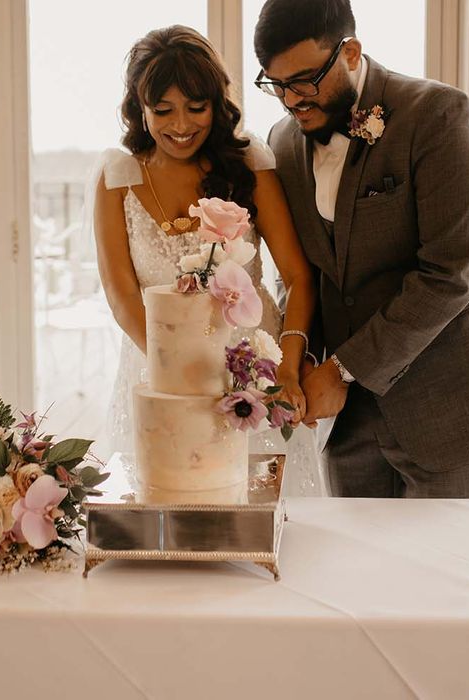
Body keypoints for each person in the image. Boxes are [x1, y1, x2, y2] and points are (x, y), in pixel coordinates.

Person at [253, 0, 469, 498]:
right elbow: (303, 272)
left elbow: (450, 275)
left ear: (350, 53)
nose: (291, 100)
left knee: (447, 573)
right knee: (358, 574)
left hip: (452, 409)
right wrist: (295, 360)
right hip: (347, 424)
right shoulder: (281, 143)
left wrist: (344, 369)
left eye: (304, 80)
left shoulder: (438, 115)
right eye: (276, 85)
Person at [92, 25, 324, 495]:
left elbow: (299, 276)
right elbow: (120, 297)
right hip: (160, 373)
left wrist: (287, 366)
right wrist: (178, 374)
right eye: (163, 110)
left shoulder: (248, 166)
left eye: (195, 107)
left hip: (254, 370)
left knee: (262, 510)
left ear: (217, 105)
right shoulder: (118, 178)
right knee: (173, 508)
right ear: (140, 108)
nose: (180, 125)